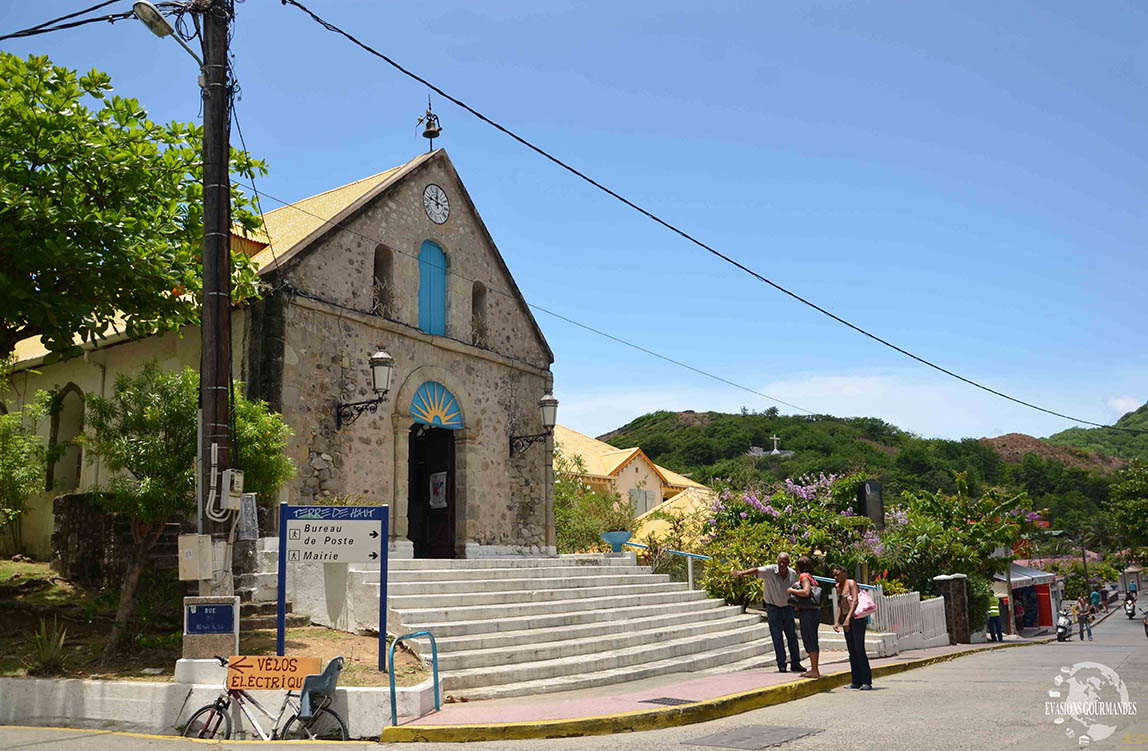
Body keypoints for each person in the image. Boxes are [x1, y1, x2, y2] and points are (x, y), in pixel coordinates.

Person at [734, 552, 805, 674]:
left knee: (792, 637)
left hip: (787, 609)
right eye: (780, 561)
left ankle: (795, 663)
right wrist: (742, 573)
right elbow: (756, 570)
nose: (781, 564)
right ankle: (781, 664)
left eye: (784, 562)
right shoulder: (771, 570)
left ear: (788, 563)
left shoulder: (792, 574)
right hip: (773, 609)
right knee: (777, 637)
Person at [832, 563, 872, 690]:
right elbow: (840, 604)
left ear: (844, 573)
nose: (835, 578)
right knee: (852, 650)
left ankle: (866, 681)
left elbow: (855, 601)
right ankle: (856, 680)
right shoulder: (838, 586)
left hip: (856, 619)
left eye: (837, 575)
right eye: (834, 576)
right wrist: (837, 621)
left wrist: (849, 618)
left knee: (859, 649)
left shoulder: (851, 583)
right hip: (846, 619)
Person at [787, 556, 821, 678]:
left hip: (807, 613)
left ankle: (814, 670)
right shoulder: (811, 577)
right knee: (812, 639)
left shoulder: (804, 577)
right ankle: (814, 668)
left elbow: (806, 592)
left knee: (809, 639)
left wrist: (792, 591)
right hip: (813, 612)